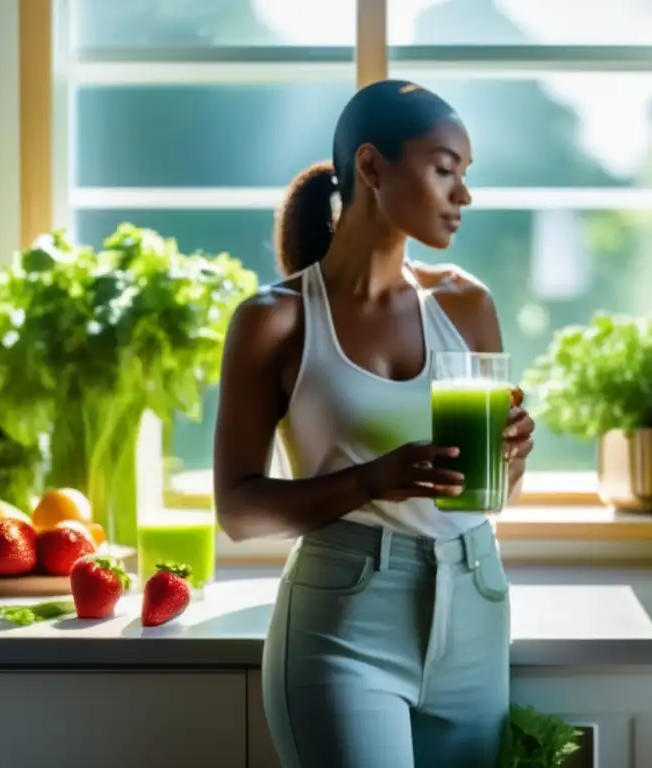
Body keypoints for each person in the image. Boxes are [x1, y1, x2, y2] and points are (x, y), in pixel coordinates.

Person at [212, 79, 536, 768]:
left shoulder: (466, 303)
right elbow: (239, 510)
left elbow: (491, 496)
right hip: (344, 620)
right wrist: (372, 480)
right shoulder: (274, 319)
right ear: (371, 167)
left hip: (475, 602)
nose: (464, 195)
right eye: (444, 169)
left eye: (466, 175)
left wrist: (511, 455)